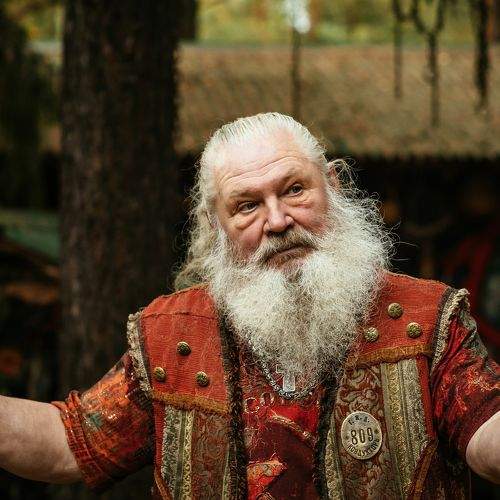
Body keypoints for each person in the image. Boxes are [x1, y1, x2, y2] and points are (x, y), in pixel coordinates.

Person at [0, 112, 499, 499]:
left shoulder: (427, 319)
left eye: (294, 190)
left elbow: (486, 433)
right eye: (247, 206)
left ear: (333, 186)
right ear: (215, 225)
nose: (277, 221)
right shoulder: (170, 339)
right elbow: (71, 444)